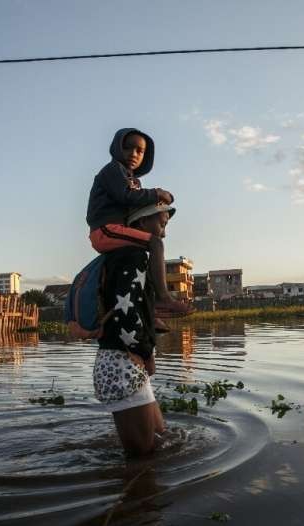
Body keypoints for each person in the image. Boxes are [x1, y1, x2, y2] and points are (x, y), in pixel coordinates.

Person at [92, 203, 177, 456]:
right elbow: (126, 315)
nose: (163, 233)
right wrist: (147, 354)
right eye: (161, 224)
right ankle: (135, 495)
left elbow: (136, 310)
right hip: (123, 364)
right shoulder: (132, 256)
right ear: (141, 223)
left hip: (125, 363)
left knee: (162, 440)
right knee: (142, 457)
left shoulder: (123, 257)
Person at [86, 127, 192, 330]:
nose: (133, 154)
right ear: (117, 148)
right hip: (105, 229)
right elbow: (126, 196)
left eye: (140, 151)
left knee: (144, 260)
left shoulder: (133, 180)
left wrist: (160, 204)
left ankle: (148, 310)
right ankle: (163, 297)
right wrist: (157, 193)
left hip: (118, 229)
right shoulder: (112, 171)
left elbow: (138, 204)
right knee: (155, 243)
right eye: (128, 148)